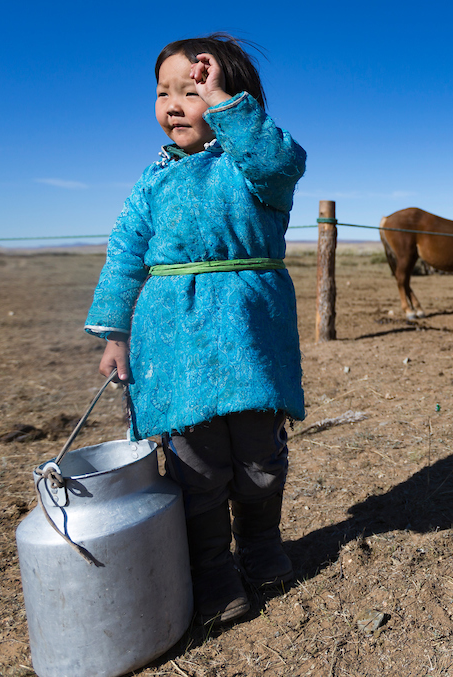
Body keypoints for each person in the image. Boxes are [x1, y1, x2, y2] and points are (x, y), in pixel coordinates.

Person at [84, 34, 306, 626]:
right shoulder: (151, 184)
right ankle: (211, 570)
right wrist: (115, 334)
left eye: (193, 90)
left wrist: (226, 107)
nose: (174, 103)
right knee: (195, 464)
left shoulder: (256, 170)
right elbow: (125, 257)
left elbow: (282, 161)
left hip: (250, 334)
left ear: (232, 97)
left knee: (260, 457)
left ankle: (260, 545)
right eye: (164, 92)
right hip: (172, 340)